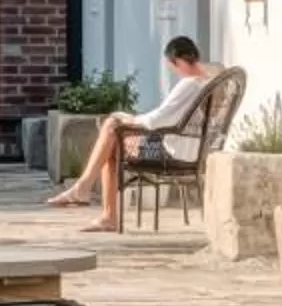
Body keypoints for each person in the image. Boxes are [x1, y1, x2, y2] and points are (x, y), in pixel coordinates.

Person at [46, 37, 215, 232]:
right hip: (193, 148)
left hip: (174, 152)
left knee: (112, 130)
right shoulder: (207, 82)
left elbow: (159, 119)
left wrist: (131, 119)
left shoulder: (189, 84)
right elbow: (170, 118)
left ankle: (91, 196)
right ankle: (89, 195)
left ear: (176, 61)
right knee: (112, 134)